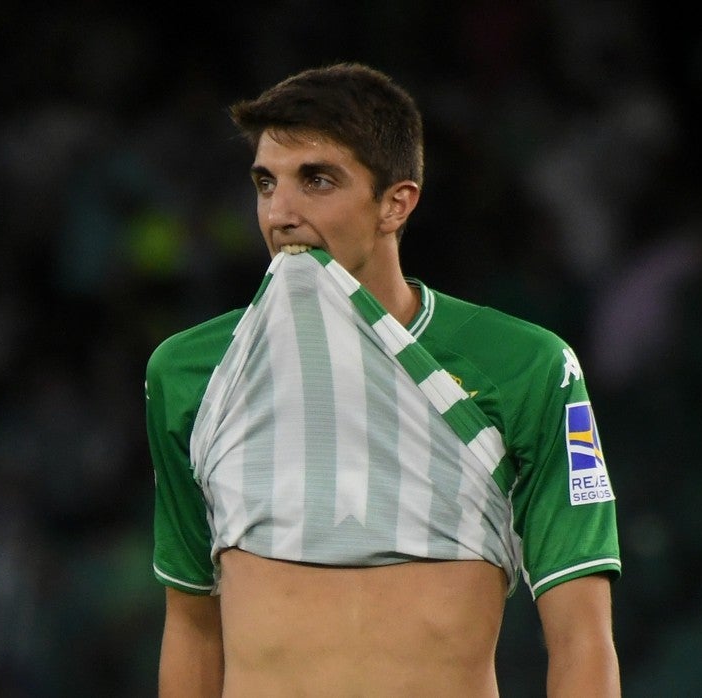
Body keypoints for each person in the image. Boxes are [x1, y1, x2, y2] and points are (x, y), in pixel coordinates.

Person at [144, 62, 621, 696]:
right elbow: (192, 626)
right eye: (265, 183)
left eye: (316, 180)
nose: (279, 213)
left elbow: (582, 639)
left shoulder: (527, 367)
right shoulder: (189, 372)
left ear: (396, 203)